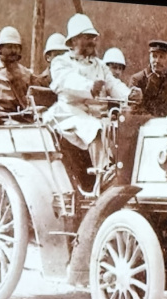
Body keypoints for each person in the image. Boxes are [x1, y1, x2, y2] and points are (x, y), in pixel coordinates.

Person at [43, 13, 142, 193]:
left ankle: (125, 173)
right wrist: (90, 86)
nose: (92, 42)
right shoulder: (60, 62)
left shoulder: (99, 65)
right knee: (96, 130)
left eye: (93, 38)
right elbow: (66, 81)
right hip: (70, 113)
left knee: (126, 129)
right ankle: (102, 178)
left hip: (97, 116)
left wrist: (129, 95)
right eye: (87, 37)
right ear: (73, 40)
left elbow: (113, 84)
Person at [129, 40, 167, 117]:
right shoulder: (138, 80)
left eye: (162, 57)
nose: (157, 61)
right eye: (154, 56)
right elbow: (134, 111)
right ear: (149, 57)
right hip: (146, 127)